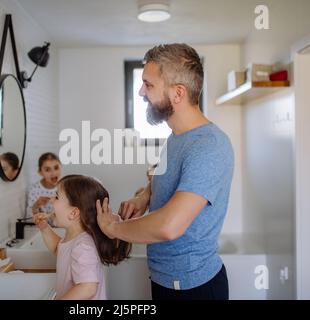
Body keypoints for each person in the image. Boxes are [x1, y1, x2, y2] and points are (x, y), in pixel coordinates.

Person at [96, 43, 234, 300]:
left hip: (193, 288)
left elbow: (170, 226)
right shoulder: (177, 137)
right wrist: (144, 197)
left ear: (178, 93)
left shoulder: (209, 146)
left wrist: (113, 228)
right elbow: (165, 177)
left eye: (148, 85)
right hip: (167, 279)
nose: (140, 92)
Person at [34, 175, 131, 300]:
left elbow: (88, 288)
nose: (52, 200)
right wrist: (45, 228)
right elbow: (59, 250)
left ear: (73, 213)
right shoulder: (74, 239)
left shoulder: (83, 246)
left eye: (57, 197)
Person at [26, 152, 62, 219]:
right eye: (47, 170)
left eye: (56, 168)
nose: (53, 173)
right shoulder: (34, 190)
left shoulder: (65, 188)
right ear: (40, 172)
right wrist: (36, 206)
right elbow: (28, 220)